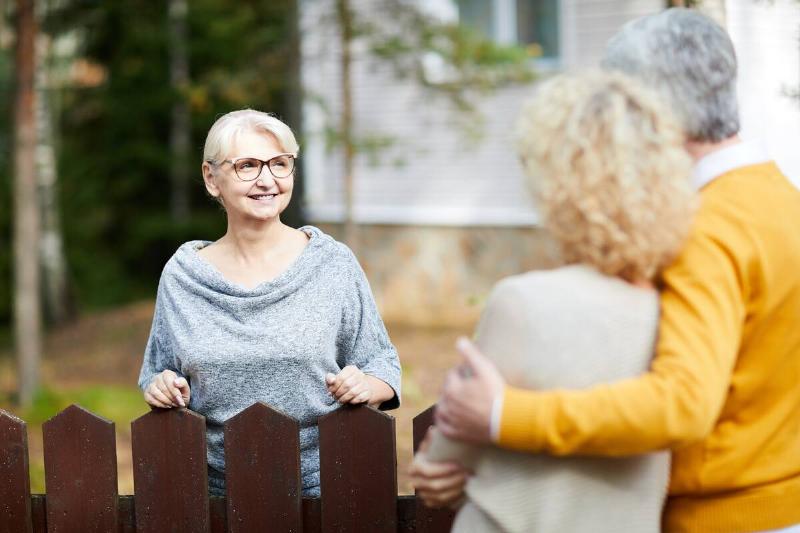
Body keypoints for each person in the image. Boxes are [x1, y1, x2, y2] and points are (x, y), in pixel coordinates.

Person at [414, 8, 800, 533]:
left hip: (722, 519)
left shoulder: (703, 229)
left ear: (654, 109)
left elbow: (684, 403)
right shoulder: (781, 198)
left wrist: (504, 415)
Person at [417, 70, 694, 533]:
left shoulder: (524, 303)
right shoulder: (682, 311)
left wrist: (438, 468)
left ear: (556, 182)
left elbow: (443, 464)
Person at [138, 109, 401, 498]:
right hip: (212, 495)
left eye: (280, 164)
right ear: (212, 179)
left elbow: (383, 365)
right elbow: (157, 373)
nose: (267, 180)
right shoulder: (184, 276)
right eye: (248, 165)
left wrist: (366, 384)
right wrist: (160, 387)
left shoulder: (331, 263)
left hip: (325, 490)